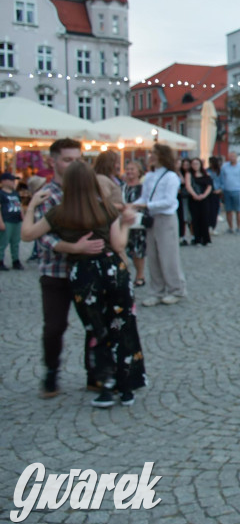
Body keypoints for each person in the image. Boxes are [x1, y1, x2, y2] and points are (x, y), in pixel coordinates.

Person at [22, 161, 146, 408]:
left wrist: (33, 205)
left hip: (84, 275)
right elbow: (119, 245)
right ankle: (126, 386)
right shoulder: (105, 209)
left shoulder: (59, 213)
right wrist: (125, 224)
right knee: (122, 326)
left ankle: (106, 386)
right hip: (113, 271)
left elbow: (28, 235)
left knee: (97, 330)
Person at [30, 138, 107, 397]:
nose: (74, 165)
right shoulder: (46, 195)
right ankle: (51, 372)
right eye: (67, 160)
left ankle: (94, 373)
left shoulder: (90, 193)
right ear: (53, 162)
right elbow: (43, 237)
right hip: (56, 271)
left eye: (78, 160)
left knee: (94, 324)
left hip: (86, 271)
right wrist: (72, 247)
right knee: (54, 326)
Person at [134, 143, 187, 306]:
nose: (150, 155)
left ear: (161, 156)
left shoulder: (171, 177)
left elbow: (169, 201)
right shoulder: (150, 176)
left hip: (166, 217)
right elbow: (145, 198)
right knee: (153, 255)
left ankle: (176, 289)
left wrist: (147, 205)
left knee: (168, 255)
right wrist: (132, 205)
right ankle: (157, 291)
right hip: (152, 217)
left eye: (154, 153)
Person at [121, 161, 148, 287]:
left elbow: (146, 204)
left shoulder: (143, 187)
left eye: (132, 169)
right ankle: (125, 274)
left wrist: (133, 207)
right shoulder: (122, 187)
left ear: (139, 172)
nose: (129, 171)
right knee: (123, 249)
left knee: (138, 250)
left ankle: (140, 275)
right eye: (127, 169)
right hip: (123, 221)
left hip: (137, 222)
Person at [185, 158, 213, 246]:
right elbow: (188, 185)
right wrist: (194, 195)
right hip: (193, 199)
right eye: (193, 164)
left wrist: (204, 195)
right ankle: (197, 239)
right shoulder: (189, 174)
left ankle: (206, 239)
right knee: (195, 219)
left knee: (205, 218)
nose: (195, 166)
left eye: (197, 163)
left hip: (204, 199)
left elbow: (209, 186)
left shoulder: (206, 174)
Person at [0, 172, 24, 270]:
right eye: (11, 180)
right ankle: (0, 261)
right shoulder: (1, 193)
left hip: (16, 220)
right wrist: (0, 222)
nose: (13, 182)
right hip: (6, 220)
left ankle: (16, 260)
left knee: (16, 242)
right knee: (3, 242)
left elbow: (20, 206)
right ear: (4, 181)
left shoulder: (15, 193)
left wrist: (24, 218)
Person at [219, 151, 240, 233]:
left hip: (238, 190)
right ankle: (230, 227)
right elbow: (222, 177)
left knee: (238, 210)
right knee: (228, 210)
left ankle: (238, 227)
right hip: (227, 190)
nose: (232, 158)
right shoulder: (225, 166)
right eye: (230, 156)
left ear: (236, 157)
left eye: (233, 156)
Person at [176, 159, 193, 246]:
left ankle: (191, 235)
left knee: (189, 217)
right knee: (182, 218)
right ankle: (181, 236)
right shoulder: (175, 173)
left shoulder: (188, 173)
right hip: (180, 198)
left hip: (187, 197)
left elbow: (183, 182)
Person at [206, 155, 223, 236]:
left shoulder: (220, 171)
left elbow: (223, 182)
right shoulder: (207, 171)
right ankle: (209, 226)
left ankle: (213, 227)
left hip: (216, 192)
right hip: (208, 192)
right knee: (208, 211)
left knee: (215, 210)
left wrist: (220, 190)